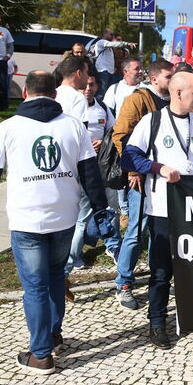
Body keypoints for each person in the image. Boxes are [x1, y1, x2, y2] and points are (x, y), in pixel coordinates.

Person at [0, 70, 107, 374]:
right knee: (55, 277)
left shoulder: (8, 128)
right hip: (64, 218)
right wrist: (100, 209)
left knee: (35, 287)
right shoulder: (74, 127)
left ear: (26, 93)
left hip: (27, 220)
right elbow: (90, 174)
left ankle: (41, 353)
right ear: (54, 95)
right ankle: (53, 334)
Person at [121, 71, 193, 348]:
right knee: (162, 270)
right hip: (163, 209)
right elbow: (129, 155)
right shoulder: (153, 121)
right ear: (178, 93)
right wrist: (157, 168)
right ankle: (157, 323)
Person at [110, 69, 162, 309]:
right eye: (168, 76)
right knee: (137, 230)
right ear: (155, 78)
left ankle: (156, 278)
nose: (173, 81)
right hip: (141, 177)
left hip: (162, 180)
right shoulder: (139, 98)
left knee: (157, 231)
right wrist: (132, 170)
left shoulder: (175, 102)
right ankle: (124, 283)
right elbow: (120, 135)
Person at [66, 72, 121, 275]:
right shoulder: (71, 109)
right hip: (81, 169)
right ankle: (71, 259)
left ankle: (113, 246)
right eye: (85, 85)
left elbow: (114, 130)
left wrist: (104, 140)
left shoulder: (103, 108)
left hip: (103, 167)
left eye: (92, 85)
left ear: (97, 87)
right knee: (82, 216)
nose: (88, 89)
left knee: (111, 209)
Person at [91, 29, 134, 97]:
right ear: (105, 34)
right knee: (102, 93)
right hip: (103, 72)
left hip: (110, 73)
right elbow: (113, 44)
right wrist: (126, 43)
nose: (112, 36)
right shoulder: (101, 42)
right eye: (111, 34)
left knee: (109, 94)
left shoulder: (110, 48)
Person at [53, 56, 89, 125]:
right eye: (86, 72)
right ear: (79, 73)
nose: (88, 76)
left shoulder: (51, 94)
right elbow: (80, 130)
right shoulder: (78, 98)